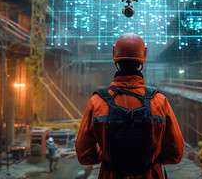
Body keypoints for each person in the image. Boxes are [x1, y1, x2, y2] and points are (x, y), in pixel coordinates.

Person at [76, 33, 184, 178]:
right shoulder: (159, 101)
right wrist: (150, 159)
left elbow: (84, 156)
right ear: (142, 60)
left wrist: (109, 155)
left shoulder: (97, 102)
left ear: (115, 58)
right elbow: (175, 153)